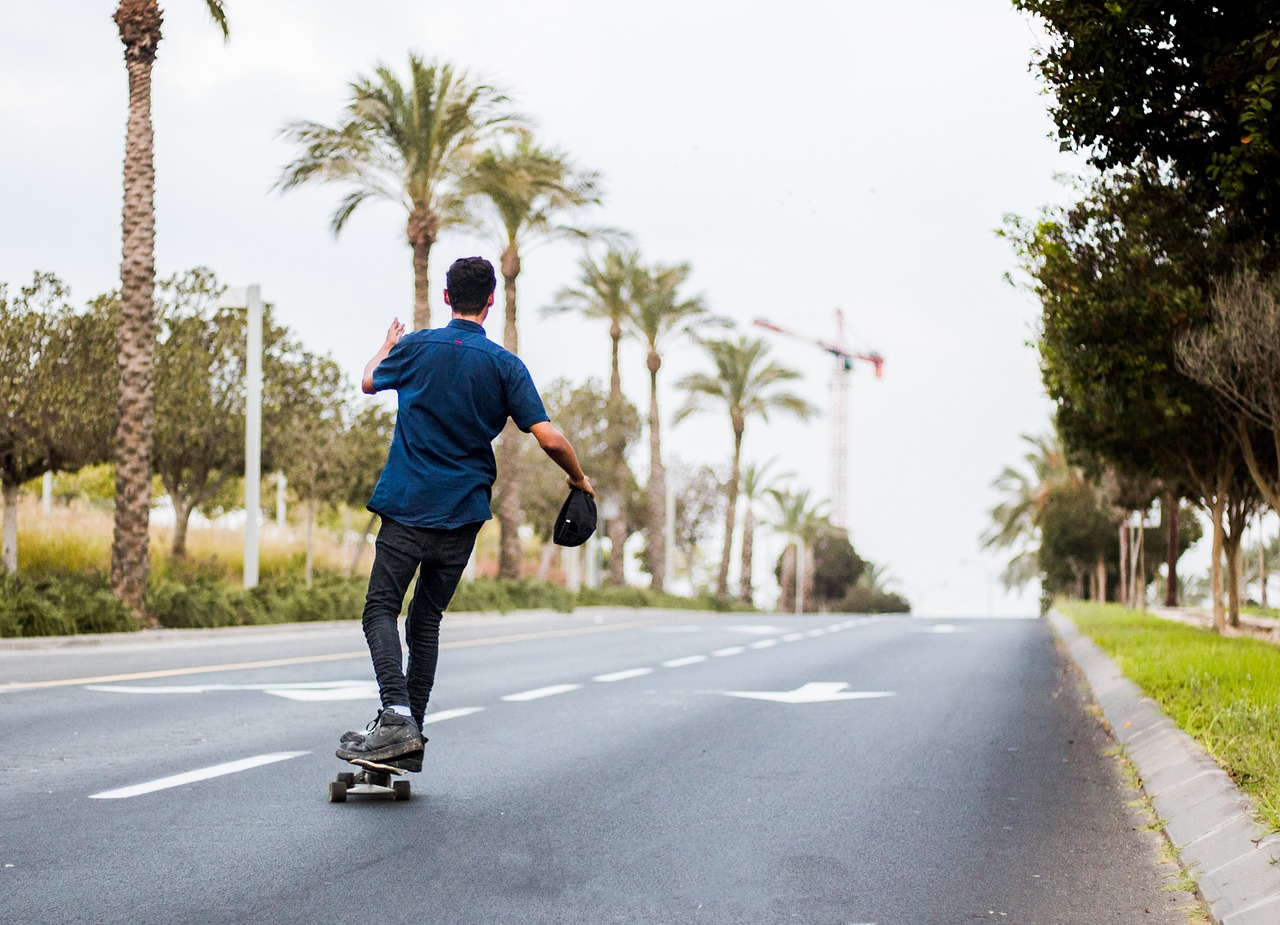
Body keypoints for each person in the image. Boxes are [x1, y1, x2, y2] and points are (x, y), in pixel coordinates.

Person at [336, 256, 594, 773]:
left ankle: (395, 716)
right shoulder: (504, 365)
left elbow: (367, 381)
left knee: (380, 609)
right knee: (426, 620)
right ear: (492, 300)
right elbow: (547, 436)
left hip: (407, 506)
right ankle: (411, 733)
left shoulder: (415, 348)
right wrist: (579, 479)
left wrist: (387, 345)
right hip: (462, 515)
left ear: (447, 297)